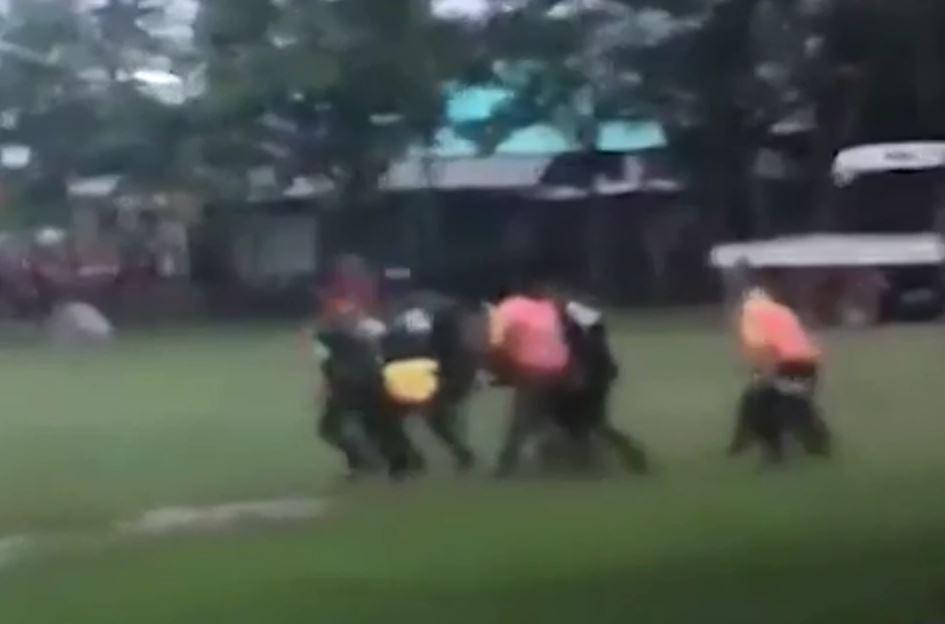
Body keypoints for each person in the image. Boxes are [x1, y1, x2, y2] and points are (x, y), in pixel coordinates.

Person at [728, 283, 831, 464]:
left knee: (761, 406)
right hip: (808, 365)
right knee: (795, 405)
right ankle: (817, 446)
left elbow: (762, 347)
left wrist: (762, 375)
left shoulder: (751, 313)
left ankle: (774, 453)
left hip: (784, 364)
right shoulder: (783, 311)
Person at [378, 290, 479, 475]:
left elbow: (387, 353)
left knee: (393, 418)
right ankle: (460, 454)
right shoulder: (441, 325)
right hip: (430, 374)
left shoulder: (401, 324)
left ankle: (414, 458)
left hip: (413, 374)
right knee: (435, 419)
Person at [552, 298, 649, 473]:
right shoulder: (576, 316)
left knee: (590, 422)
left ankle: (601, 460)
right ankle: (588, 461)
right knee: (583, 422)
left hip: (591, 378)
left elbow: (583, 348)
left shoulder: (570, 319)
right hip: (595, 375)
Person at [489, 287, 571, 477]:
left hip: (533, 369)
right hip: (561, 368)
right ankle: (564, 459)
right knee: (545, 415)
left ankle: (506, 467)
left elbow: (497, 345)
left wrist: (500, 373)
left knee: (520, 420)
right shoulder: (547, 307)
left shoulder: (506, 309)